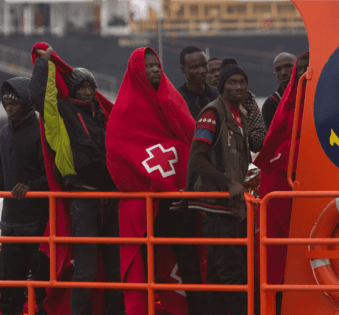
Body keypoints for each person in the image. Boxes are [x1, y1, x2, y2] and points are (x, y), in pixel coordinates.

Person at [106, 47, 207, 315]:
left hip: (179, 201)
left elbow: (193, 141)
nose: (154, 70)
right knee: (144, 266)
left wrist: (185, 188)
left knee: (190, 264)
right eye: (148, 66)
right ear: (137, 69)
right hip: (146, 208)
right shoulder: (124, 109)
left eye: (156, 65)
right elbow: (118, 152)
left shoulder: (172, 99)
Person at [30, 45, 125, 315]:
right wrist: (44, 66)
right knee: (85, 270)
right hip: (83, 200)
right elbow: (42, 99)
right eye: (80, 86)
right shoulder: (59, 116)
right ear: (71, 89)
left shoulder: (102, 116)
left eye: (90, 86)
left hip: (111, 199)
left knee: (116, 269)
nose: (86, 90)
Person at [187, 58, 250, 315]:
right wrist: (228, 183)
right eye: (232, 82)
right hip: (217, 208)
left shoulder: (241, 114)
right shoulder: (213, 113)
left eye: (243, 82)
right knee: (233, 274)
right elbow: (197, 157)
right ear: (222, 86)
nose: (239, 87)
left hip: (231, 207)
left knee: (216, 273)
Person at [254, 52, 309, 314]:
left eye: (291, 67)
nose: (288, 72)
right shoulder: (273, 104)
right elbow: (275, 140)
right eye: (281, 69)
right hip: (287, 182)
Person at [0, 77, 50, 315]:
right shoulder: (3, 133)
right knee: (9, 288)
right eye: (5, 102)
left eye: (14, 102)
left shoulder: (41, 131)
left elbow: (53, 175)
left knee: (42, 290)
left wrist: (30, 186)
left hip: (37, 223)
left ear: (26, 102)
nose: (8, 107)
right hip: (9, 223)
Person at [208, 58, 266, 153]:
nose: (217, 74)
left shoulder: (247, 99)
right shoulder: (205, 104)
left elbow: (260, 140)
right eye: (212, 71)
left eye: (220, 70)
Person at [178, 46, 219, 119]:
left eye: (204, 65)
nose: (202, 71)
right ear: (183, 69)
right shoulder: (177, 100)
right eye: (195, 67)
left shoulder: (219, 96)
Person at [262, 52, 296, 129]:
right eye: (278, 69)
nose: (283, 73)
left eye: (288, 66)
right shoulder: (271, 104)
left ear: (299, 68)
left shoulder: (313, 94)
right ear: (275, 75)